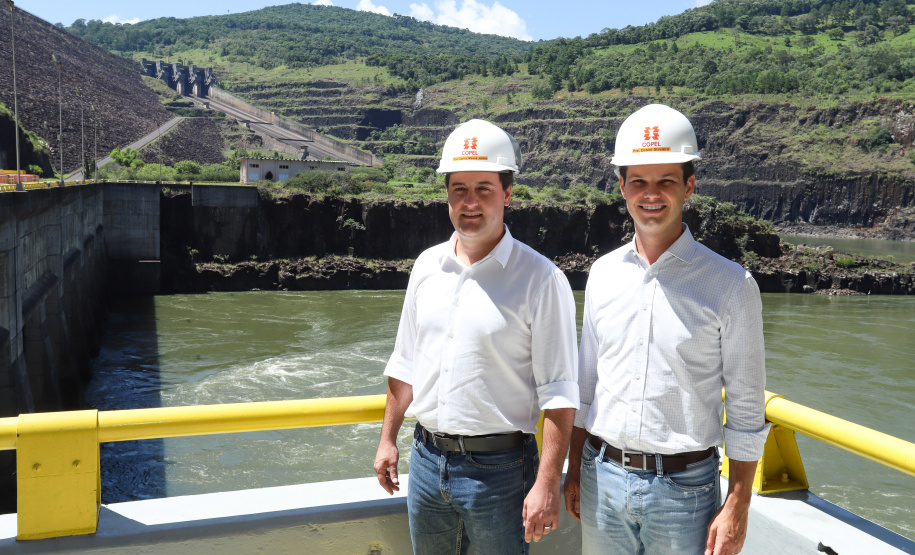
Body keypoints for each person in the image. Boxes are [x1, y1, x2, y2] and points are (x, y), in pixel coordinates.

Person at [562, 104, 769, 555]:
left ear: (689, 186)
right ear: (622, 186)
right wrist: (574, 468)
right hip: (601, 477)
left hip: (685, 491)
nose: (651, 194)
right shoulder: (602, 274)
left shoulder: (731, 285)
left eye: (666, 181)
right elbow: (587, 386)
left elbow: (747, 405)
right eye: (638, 181)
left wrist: (738, 504)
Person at [373, 119, 579, 554]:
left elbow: (560, 393)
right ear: (446, 194)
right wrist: (388, 439)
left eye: (484, 189)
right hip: (426, 461)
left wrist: (547, 482)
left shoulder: (542, 279)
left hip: (501, 472)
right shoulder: (426, 267)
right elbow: (405, 362)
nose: (470, 202)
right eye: (459, 189)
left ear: (508, 193)